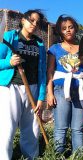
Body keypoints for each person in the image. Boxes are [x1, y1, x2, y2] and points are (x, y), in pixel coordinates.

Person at [0, 9, 47, 159]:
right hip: (10, 87)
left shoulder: (39, 44)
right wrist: (9, 62)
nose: (34, 24)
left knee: (32, 126)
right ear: (22, 20)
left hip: (32, 88)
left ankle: (31, 156)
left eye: (37, 22)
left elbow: (42, 71)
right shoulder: (9, 37)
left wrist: (41, 96)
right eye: (31, 20)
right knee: (7, 126)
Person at [47, 15, 83, 154]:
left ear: (75, 29)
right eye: (64, 28)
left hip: (80, 91)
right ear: (60, 31)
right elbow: (50, 72)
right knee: (61, 127)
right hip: (60, 90)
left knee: (78, 128)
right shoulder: (54, 49)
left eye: (70, 27)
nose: (68, 30)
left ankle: (79, 156)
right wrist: (49, 93)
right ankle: (58, 155)